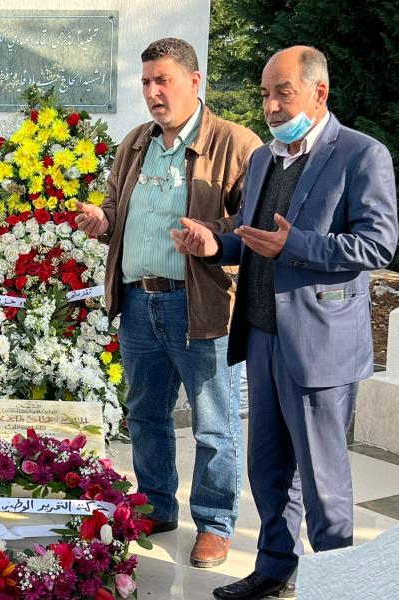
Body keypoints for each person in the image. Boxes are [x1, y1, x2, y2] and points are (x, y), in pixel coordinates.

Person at [173, 46, 398, 600]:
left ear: (319, 93)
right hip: (262, 336)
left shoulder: (362, 155)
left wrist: (294, 245)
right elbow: (253, 239)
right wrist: (214, 243)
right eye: (266, 94)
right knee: (269, 473)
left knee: (324, 485)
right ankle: (276, 570)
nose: (271, 105)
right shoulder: (264, 159)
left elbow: (377, 244)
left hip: (320, 347)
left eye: (283, 93)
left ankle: (343, 586)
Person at [76, 37, 261, 568]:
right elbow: (116, 208)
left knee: (213, 423)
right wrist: (103, 220)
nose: (153, 93)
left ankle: (215, 523)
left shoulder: (236, 144)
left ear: (195, 82)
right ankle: (157, 504)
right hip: (139, 303)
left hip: (199, 306)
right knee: (146, 415)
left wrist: (212, 235)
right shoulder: (136, 141)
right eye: (146, 83)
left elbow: (253, 226)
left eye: (164, 81)